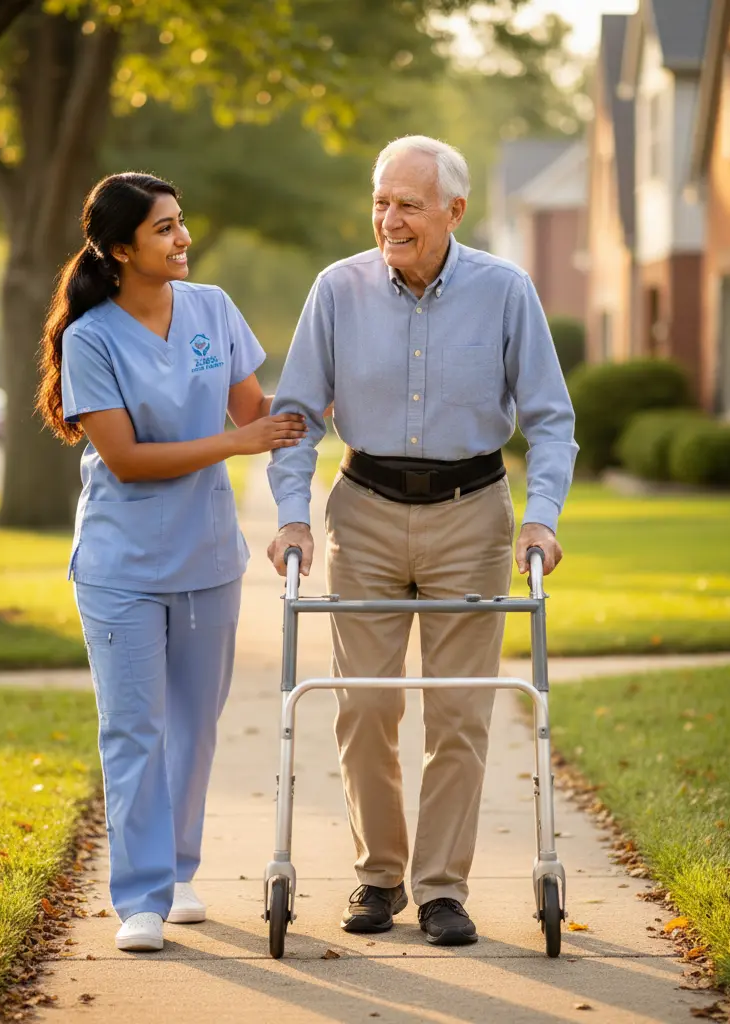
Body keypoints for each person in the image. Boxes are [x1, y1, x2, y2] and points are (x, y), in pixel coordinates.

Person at [266, 136, 578, 946]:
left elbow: (550, 419)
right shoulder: (337, 290)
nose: (389, 219)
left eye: (407, 203)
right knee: (364, 706)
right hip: (364, 511)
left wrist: (542, 515)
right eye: (380, 201)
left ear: (453, 210)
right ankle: (379, 878)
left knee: (458, 712)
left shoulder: (505, 291)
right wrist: (292, 515)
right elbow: (296, 418)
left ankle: (442, 888)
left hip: (472, 515)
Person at [36, 172, 306, 953]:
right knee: (134, 730)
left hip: (208, 557)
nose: (182, 238)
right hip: (122, 564)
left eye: (181, 223)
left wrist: (335, 399)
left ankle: (179, 870)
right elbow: (123, 459)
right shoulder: (90, 337)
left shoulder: (212, 309)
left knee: (194, 728)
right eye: (163, 229)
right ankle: (141, 898)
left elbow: (257, 412)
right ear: (120, 250)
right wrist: (236, 443)